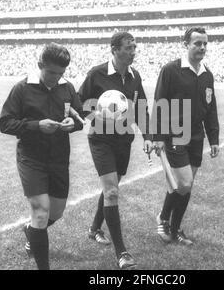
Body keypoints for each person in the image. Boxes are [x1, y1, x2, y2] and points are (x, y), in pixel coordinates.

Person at [0, 43, 84, 269]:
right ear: (40, 66)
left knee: (55, 212)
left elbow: (79, 118)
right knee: (41, 210)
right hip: (31, 159)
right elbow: (5, 123)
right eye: (52, 72)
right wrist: (37, 125)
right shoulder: (22, 88)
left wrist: (71, 124)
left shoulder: (68, 88)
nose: (56, 77)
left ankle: (31, 231)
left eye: (61, 73)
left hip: (59, 159)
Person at [78, 31, 153, 269]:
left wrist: (147, 136)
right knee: (111, 192)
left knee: (111, 187)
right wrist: (96, 114)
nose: (133, 52)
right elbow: (79, 104)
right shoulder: (97, 74)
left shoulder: (134, 76)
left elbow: (141, 109)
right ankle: (122, 253)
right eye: (128, 48)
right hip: (101, 140)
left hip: (124, 141)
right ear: (115, 50)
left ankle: (93, 229)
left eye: (134, 47)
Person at [152, 27, 220, 246]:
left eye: (204, 44)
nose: (201, 47)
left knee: (185, 186)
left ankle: (175, 227)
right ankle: (163, 218)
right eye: (197, 43)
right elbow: (159, 103)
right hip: (175, 135)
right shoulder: (171, 70)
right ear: (186, 45)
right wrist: (158, 136)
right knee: (185, 182)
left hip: (196, 136)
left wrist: (215, 139)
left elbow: (211, 108)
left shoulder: (207, 74)